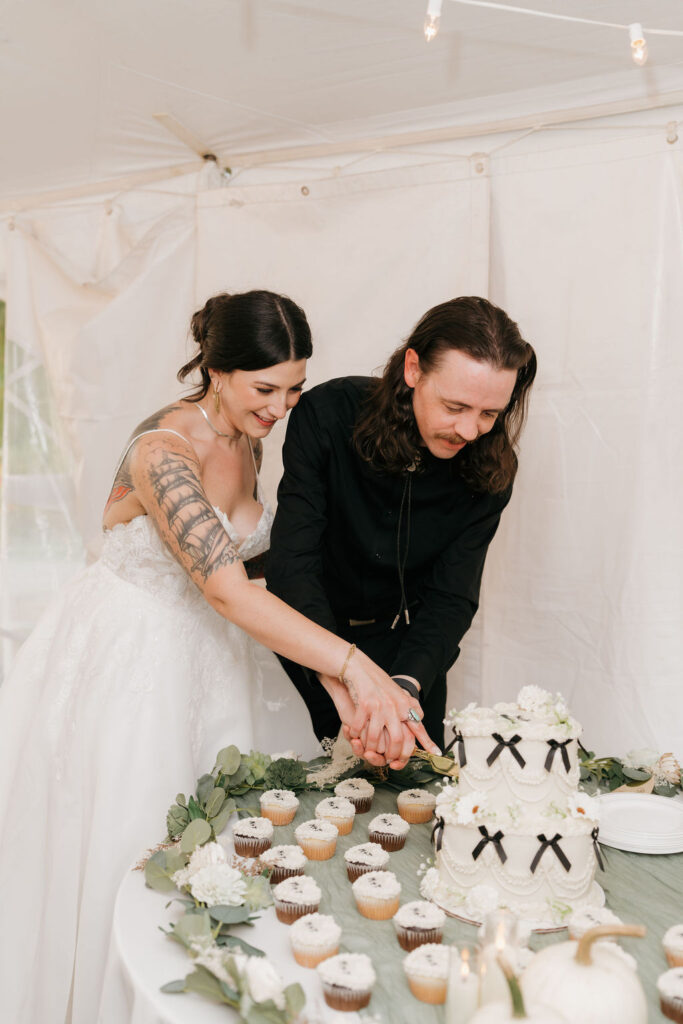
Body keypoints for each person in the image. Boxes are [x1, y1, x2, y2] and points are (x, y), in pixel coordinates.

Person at [0, 289, 435, 1024]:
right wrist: (356, 665)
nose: (282, 405)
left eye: (294, 387)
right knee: (132, 845)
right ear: (217, 369)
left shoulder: (249, 439)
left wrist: (339, 682)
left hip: (209, 652)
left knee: (221, 844)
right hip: (129, 656)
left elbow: (251, 573)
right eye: (265, 388)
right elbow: (227, 587)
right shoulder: (161, 451)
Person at [266, 295, 537, 759]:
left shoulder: (492, 467)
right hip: (312, 638)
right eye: (455, 406)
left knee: (417, 798)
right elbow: (293, 565)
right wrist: (344, 678)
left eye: (490, 414)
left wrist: (404, 686)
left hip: (412, 654)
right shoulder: (328, 414)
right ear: (414, 369)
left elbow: (453, 594)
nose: (471, 431)